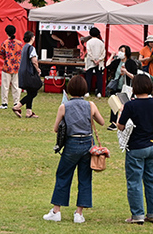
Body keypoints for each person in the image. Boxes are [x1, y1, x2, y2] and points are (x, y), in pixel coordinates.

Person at [44, 75, 106, 223]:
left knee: (63, 175)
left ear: (69, 89)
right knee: (85, 178)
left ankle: (56, 211)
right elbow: (102, 122)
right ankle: (79, 213)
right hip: (87, 145)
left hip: (71, 144)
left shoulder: (64, 107)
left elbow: (55, 129)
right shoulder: (90, 105)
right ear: (85, 90)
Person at [117, 74, 153, 224]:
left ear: (134, 87)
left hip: (136, 146)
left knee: (134, 182)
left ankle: (137, 215)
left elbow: (121, 126)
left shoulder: (131, 105)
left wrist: (120, 112)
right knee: (151, 181)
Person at [106, 45, 138, 130]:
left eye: (122, 51)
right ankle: (113, 123)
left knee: (125, 105)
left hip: (127, 87)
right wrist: (112, 56)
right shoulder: (117, 62)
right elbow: (107, 66)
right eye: (119, 50)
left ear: (127, 53)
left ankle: (125, 121)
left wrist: (126, 72)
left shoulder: (131, 63)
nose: (120, 52)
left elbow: (135, 76)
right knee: (114, 104)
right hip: (117, 86)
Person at [13, 30, 41, 119]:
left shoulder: (24, 47)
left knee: (30, 90)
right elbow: (34, 60)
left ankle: (29, 112)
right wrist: (38, 69)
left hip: (22, 71)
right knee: (34, 91)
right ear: (32, 38)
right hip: (29, 72)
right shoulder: (31, 48)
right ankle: (17, 106)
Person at [0, 24, 23, 110]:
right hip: (17, 67)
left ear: (6, 33)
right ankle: (16, 102)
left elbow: (1, 54)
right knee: (16, 86)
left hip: (7, 67)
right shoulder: (20, 43)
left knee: (5, 86)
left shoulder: (5, 43)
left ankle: (4, 103)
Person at [83, 27, 107, 98]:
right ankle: (99, 92)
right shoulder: (101, 42)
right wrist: (99, 60)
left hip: (90, 61)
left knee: (88, 76)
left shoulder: (89, 42)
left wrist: (93, 60)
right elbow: (103, 53)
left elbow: (89, 52)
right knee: (99, 76)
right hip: (99, 62)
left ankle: (87, 92)